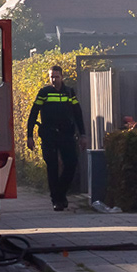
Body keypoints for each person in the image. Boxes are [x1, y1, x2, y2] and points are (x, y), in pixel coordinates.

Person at [26, 65, 86, 210]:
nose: (54, 79)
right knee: (52, 166)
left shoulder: (69, 92)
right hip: (49, 134)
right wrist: (29, 135)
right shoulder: (44, 93)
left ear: (62, 77)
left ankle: (61, 193)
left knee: (71, 164)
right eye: (52, 77)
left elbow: (77, 113)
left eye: (57, 76)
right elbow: (33, 113)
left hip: (66, 134)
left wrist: (83, 134)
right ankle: (56, 200)